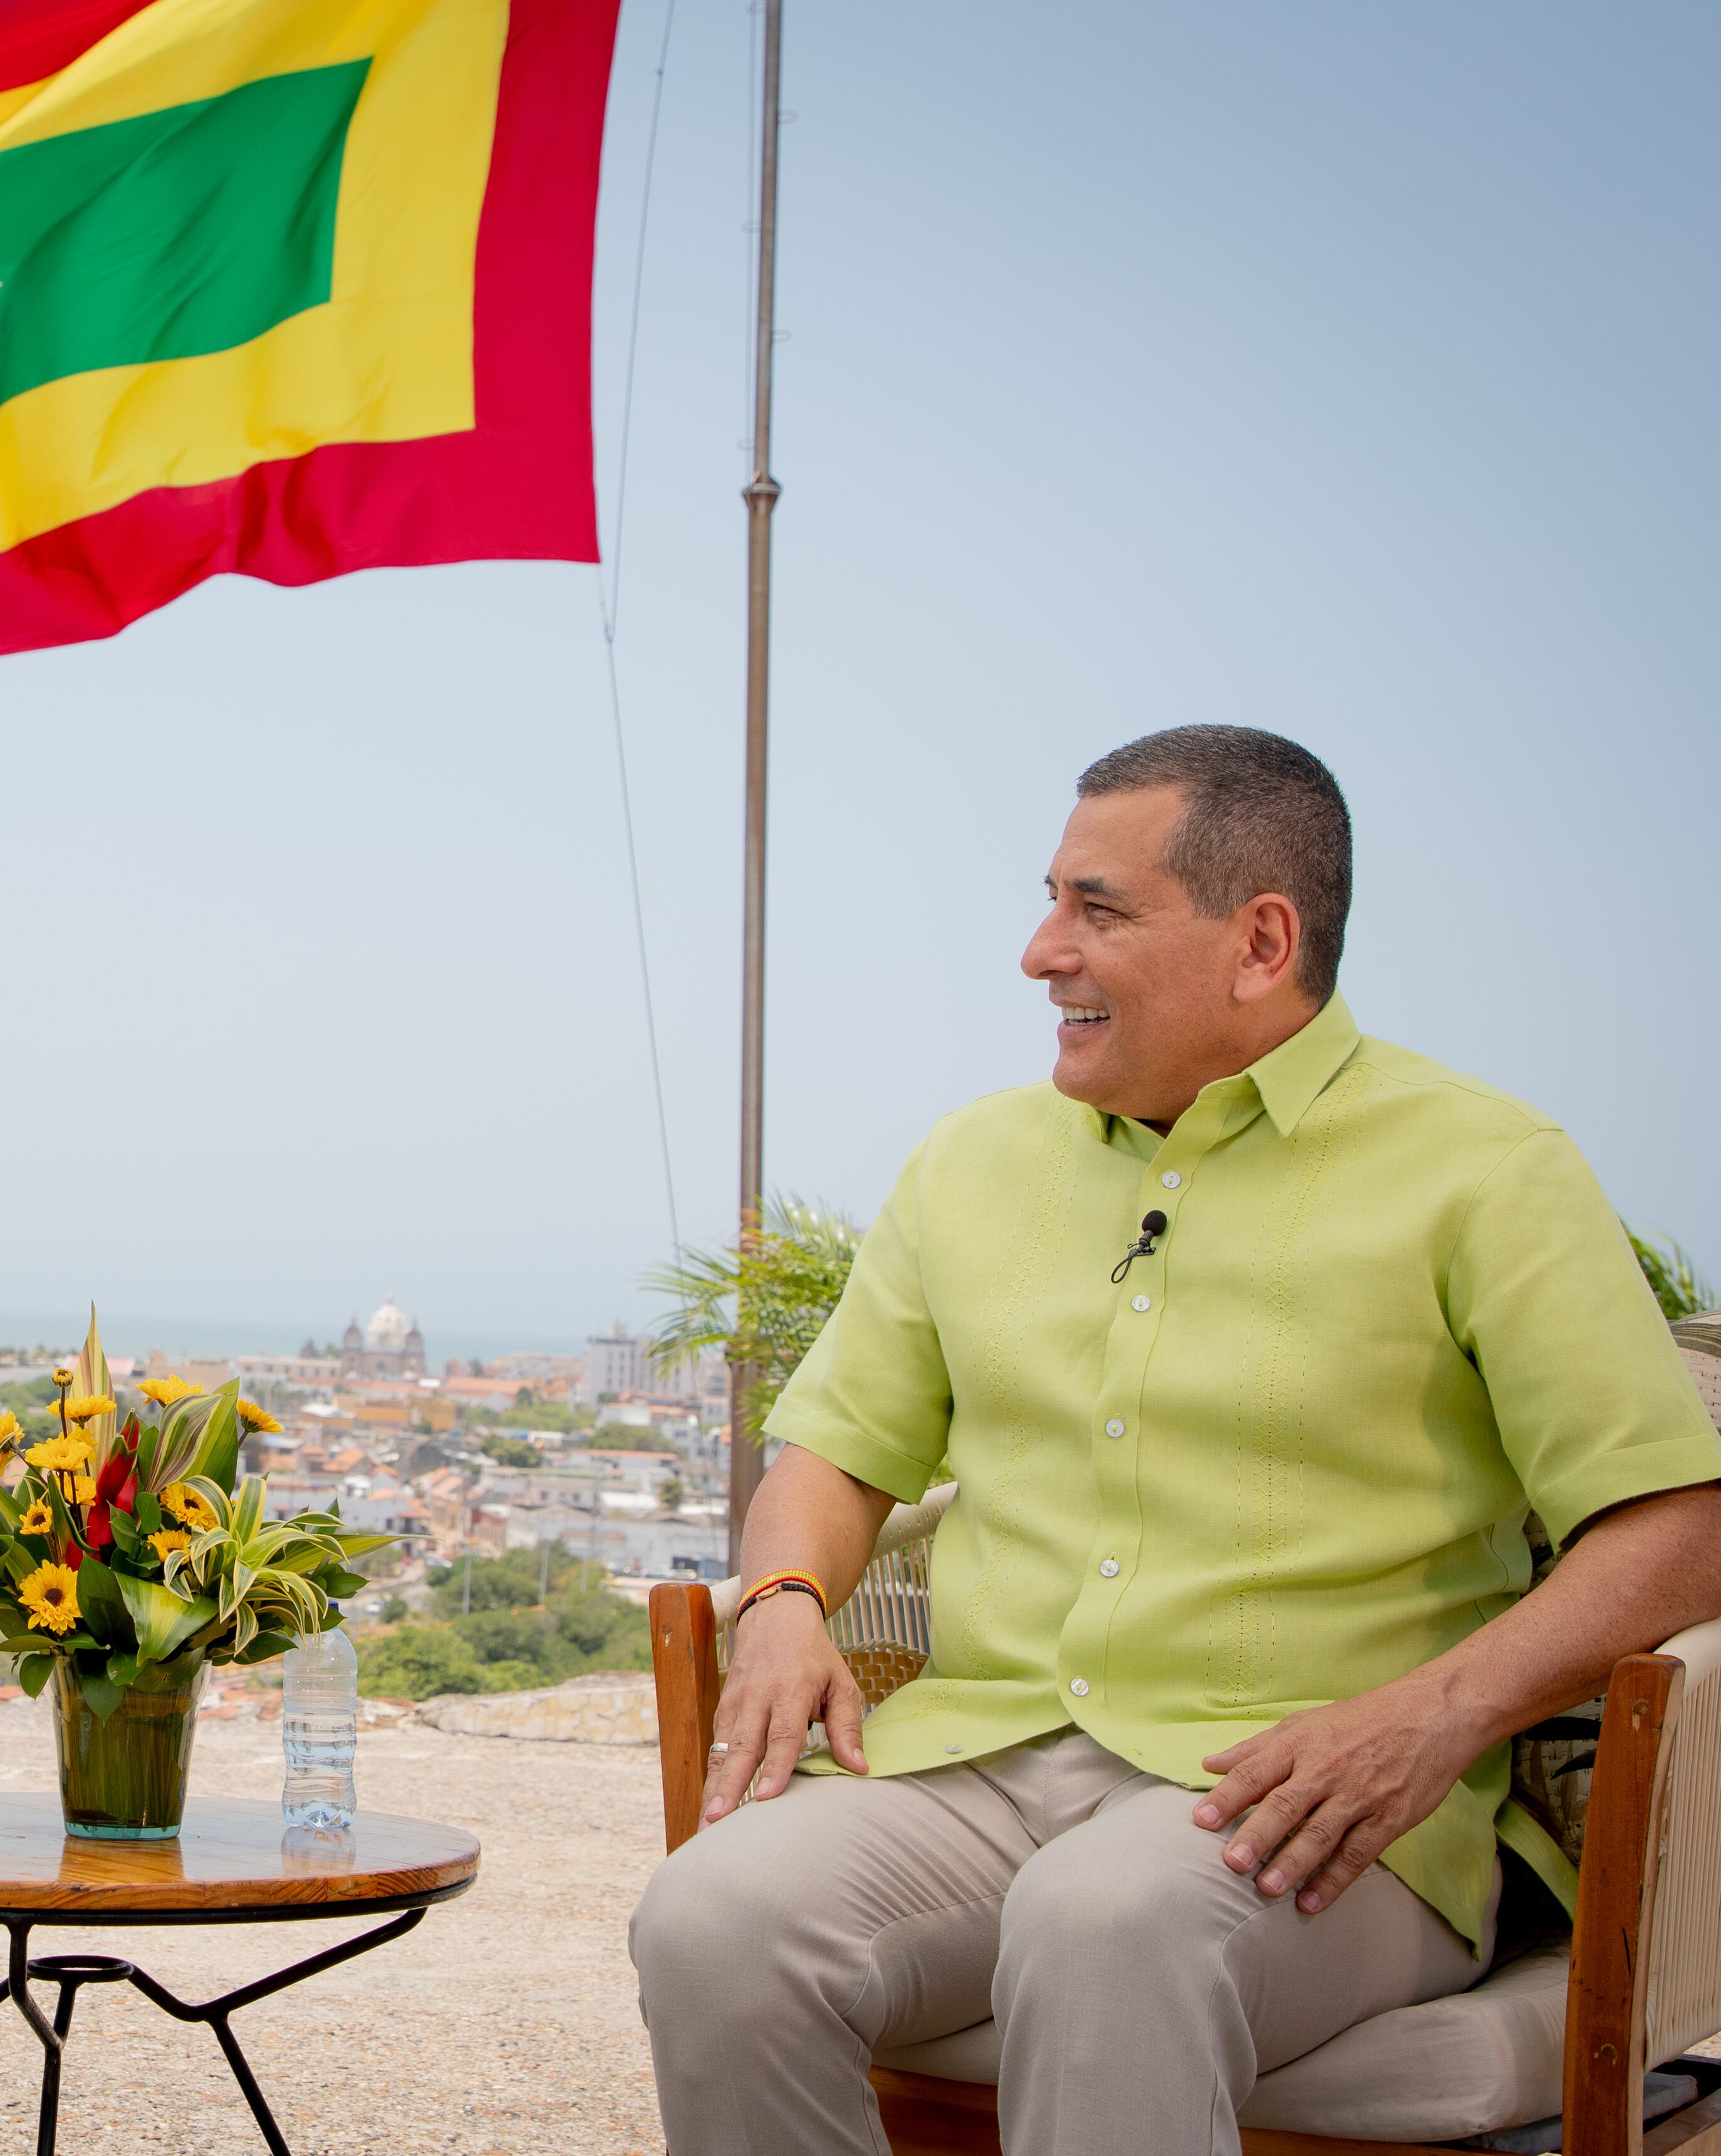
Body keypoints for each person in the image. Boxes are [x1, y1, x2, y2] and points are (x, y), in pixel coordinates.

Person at [628, 725, 1721, 2156]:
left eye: (1098, 908)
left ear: (1260, 940)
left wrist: (1431, 1721)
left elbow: (1678, 1526)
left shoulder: (1488, 1173)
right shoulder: (970, 1163)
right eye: (1050, 898)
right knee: (707, 1916)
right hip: (984, 1757)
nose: (1038, 951)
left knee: (1106, 1923)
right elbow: (834, 1453)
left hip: (1326, 1803)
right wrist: (780, 1605)